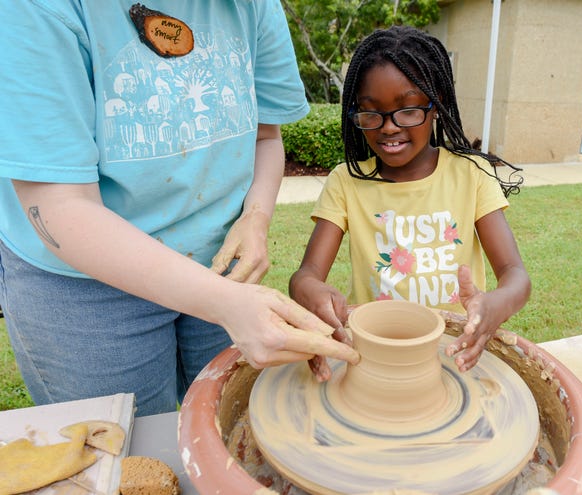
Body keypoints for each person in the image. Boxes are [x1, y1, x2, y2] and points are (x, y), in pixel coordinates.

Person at [0, 0, 358, 416]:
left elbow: (265, 137)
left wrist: (255, 217)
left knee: (232, 427)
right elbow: (59, 206)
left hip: (222, 260)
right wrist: (225, 303)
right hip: (85, 286)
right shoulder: (35, 8)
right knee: (133, 457)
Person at [289, 26, 531, 373]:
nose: (389, 127)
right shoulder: (346, 182)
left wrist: (496, 304)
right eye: (371, 112)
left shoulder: (471, 174)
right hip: (374, 354)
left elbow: (515, 275)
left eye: (407, 110)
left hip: (454, 350)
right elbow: (306, 274)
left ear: (437, 105)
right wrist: (308, 289)